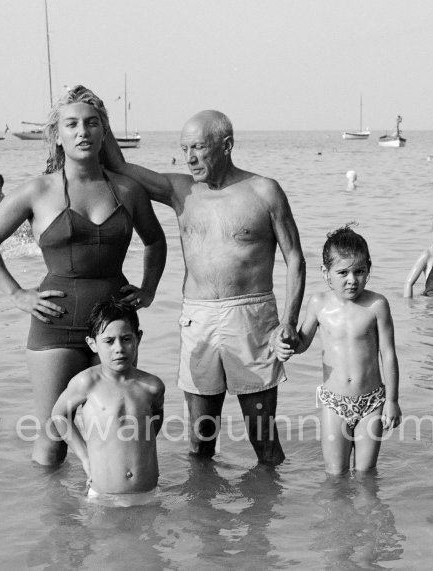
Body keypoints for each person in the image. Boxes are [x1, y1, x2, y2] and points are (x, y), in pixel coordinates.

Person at [0, 85, 166, 466]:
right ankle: (55, 523)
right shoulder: (38, 191)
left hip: (113, 327)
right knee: (53, 436)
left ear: (103, 132)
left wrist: (148, 291)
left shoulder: (127, 190)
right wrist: (16, 294)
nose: (83, 132)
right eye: (72, 124)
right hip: (54, 325)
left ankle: (111, 515)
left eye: (92, 124)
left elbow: (155, 242)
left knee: (112, 430)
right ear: (57, 135)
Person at [103, 109, 305, 466]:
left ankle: (269, 518)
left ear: (226, 145)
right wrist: (99, 113)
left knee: (264, 442)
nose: (190, 158)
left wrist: (289, 320)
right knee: (200, 442)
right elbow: (118, 165)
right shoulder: (181, 190)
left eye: (198, 147)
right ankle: (202, 517)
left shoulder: (264, 190)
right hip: (198, 318)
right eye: (184, 149)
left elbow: (295, 260)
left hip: (252, 317)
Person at [274, 225, 401, 475]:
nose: (352, 280)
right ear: (326, 273)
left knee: (366, 475)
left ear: (368, 269)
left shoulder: (377, 305)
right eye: (342, 272)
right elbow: (302, 343)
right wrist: (286, 344)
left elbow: (388, 354)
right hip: (334, 403)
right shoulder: (319, 304)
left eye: (359, 271)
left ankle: (365, 514)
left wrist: (392, 401)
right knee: (335, 476)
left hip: (371, 401)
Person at [51, 300, 164, 502]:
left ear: (138, 338)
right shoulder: (87, 382)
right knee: (102, 535)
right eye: (109, 341)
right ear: (92, 344)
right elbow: (59, 415)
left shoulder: (152, 386)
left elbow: (155, 419)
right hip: (104, 495)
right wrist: (85, 458)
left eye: (126, 339)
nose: (119, 348)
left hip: (147, 491)